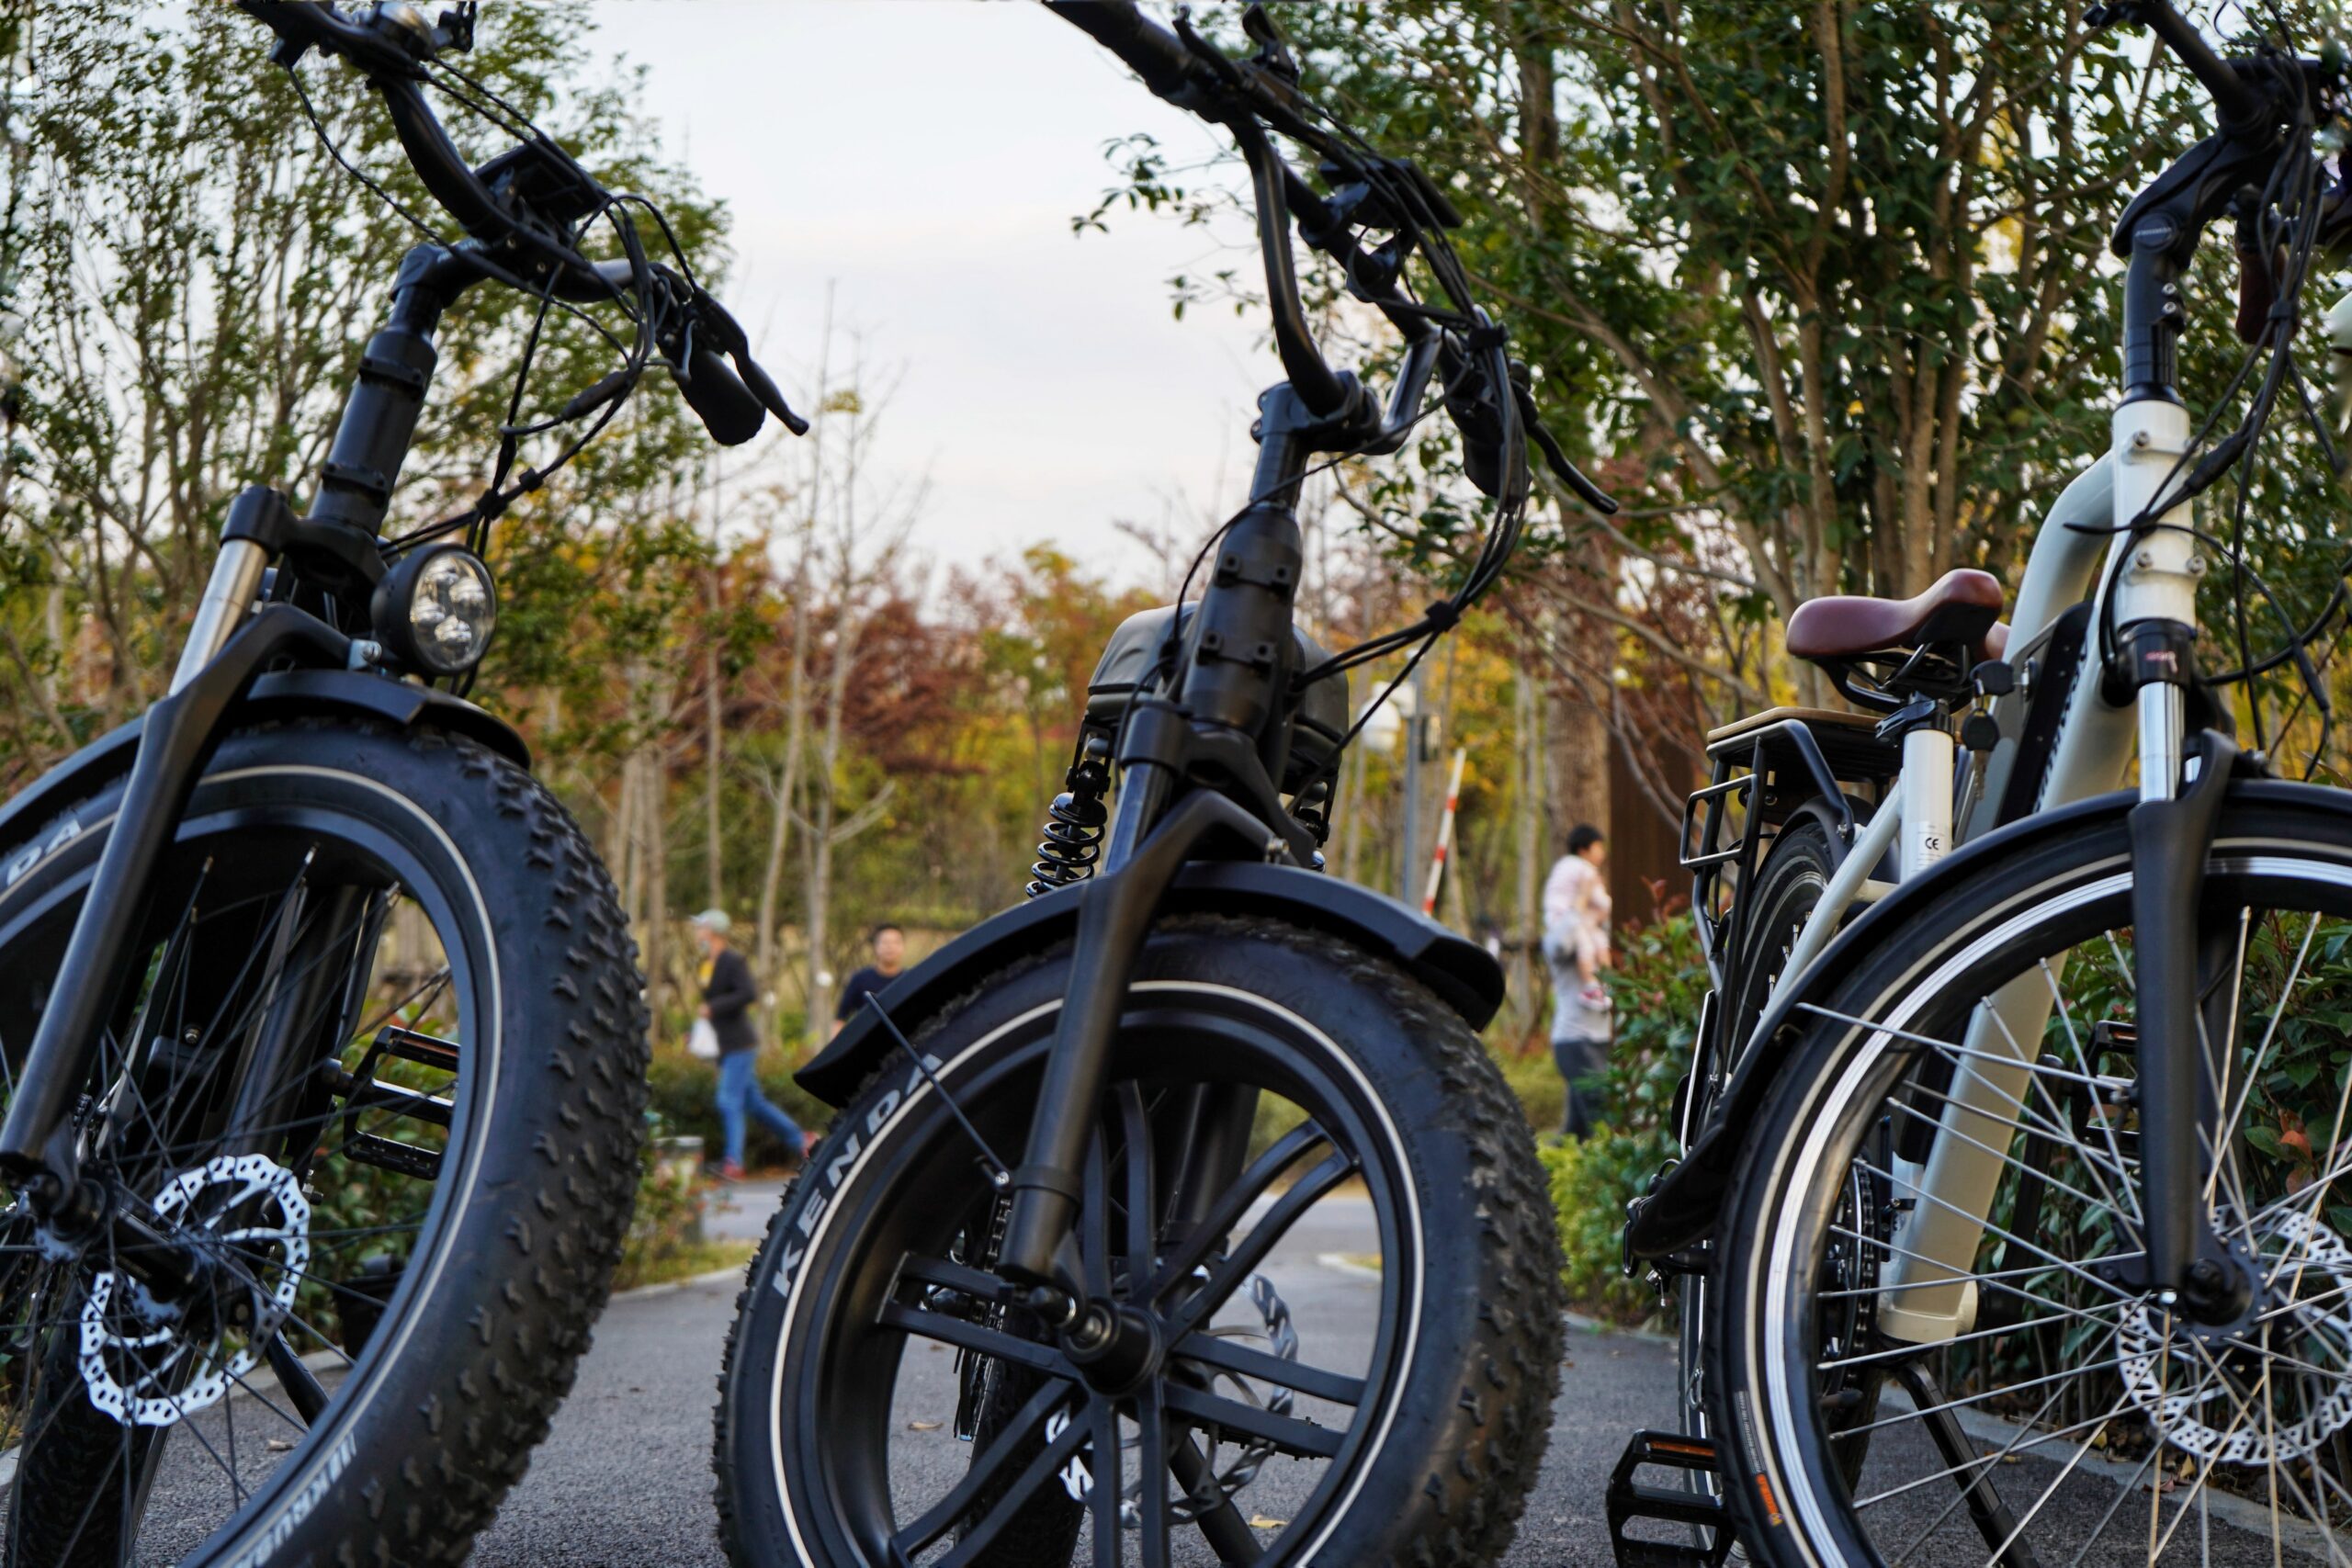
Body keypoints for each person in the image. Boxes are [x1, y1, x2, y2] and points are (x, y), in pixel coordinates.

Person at [693, 909, 814, 1179]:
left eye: (701, 927)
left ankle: (733, 1162)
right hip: (724, 1045)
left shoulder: (732, 961)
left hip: (740, 1043)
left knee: (728, 1100)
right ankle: (802, 1141)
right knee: (754, 1103)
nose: (697, 932)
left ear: (713, 931)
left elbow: (747, 993)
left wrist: (713, 1007)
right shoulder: (707, 963)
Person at [1542, 824, 1614, 1138]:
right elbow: (1561, 944)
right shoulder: (1560, 937)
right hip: (1574, 1040)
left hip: (1598, 1039)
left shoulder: (1595, 937)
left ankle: (1550, 1178)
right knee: (1600, 1122)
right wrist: (1580, 900)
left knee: (1578, 1131)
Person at [831, 922, 907, 1037]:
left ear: (903, 946)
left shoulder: (910, 978)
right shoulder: (860, 979)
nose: (890, 947)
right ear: (875, 946)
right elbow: (841, 1018)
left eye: (895, 942)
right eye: (885, 942)